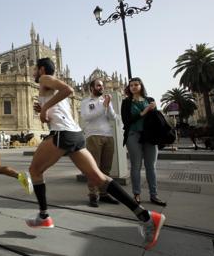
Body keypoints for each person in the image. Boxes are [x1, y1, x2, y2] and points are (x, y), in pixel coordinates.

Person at [26, 58, 165, 250]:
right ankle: (147, 217)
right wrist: (44, 109)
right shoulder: (49, 87)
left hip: (62, 134)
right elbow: (60, 108)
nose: (33, 73)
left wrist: (46, 108)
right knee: (98, 177)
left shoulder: (45, 79)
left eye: (35, 69)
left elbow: (69, 90)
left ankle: (43, 216)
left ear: (41, 69)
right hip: (75, 134)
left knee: (34, 170)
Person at [121, 77, 167, 206]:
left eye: (136, 84)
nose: (134, 87)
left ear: (141, 86)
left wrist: (154, 109)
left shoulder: (149, 100)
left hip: (150, 136)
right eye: (131, 86)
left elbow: (156, 119)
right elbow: (127, 121)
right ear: (129, 88)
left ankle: (154, 195)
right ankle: (136, 195)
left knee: (151, 166)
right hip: (133, 135)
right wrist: (144, 112)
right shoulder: (126, 102)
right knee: (136, 166)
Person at [80, 79, 120, 207]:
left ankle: (103, 194)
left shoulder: (105, 101)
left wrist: (108, 106)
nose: (101, 87)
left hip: (108, 136)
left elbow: (113, 118)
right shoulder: (86, 102)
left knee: (105, 168)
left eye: (102, 86)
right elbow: (87, 117)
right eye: (98, 85)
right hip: (93, 136)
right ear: (92, 88)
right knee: (94, 168)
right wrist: (103, 107)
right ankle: (93, 194)